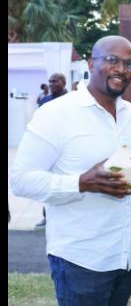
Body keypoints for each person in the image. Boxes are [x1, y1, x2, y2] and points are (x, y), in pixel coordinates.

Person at [10, 35, 131, 306]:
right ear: (91, 63)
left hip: (124, 259)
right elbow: (20, 179)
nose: (122, 68)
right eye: (112, 60)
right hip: (80, 262)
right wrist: (81, 182)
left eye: (129, 63)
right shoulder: (56, 113)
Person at [34, 73, 70, 229]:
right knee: (48, 182)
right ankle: (46, 216)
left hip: (67, 149)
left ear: (63, 82)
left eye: (54, 81)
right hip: (48, 148)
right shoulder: (44, 100)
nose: (51, 83)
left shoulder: (72, 100)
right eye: (50, 81)